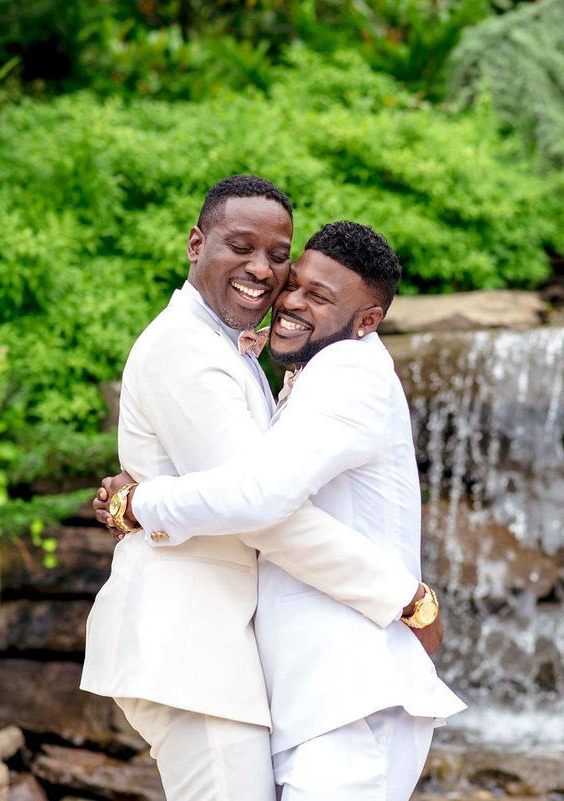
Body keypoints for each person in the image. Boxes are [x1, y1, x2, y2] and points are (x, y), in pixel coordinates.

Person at [80, 176, 440, 801]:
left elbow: (256, 495)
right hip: (195, 649)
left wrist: (141, 502)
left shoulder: (306, 362)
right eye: (241, 247)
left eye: (279, 257)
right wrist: (403, 595)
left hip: (263, 671)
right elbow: (261, 511)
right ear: (196, 244)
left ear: (367, 318)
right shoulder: (188, 348)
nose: (268, 275)